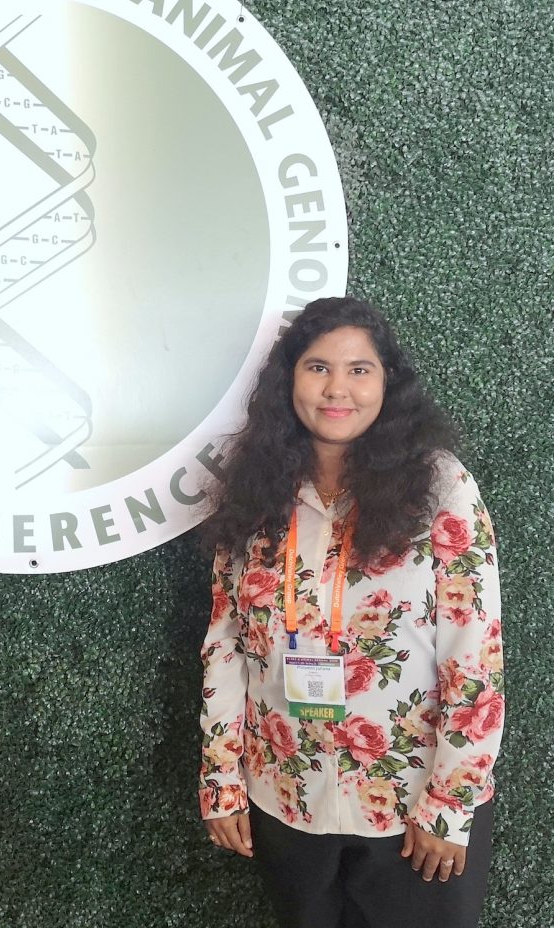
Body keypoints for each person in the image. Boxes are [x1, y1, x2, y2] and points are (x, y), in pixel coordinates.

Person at [197, 297, 503, 928]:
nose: (338, 388)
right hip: (287, 796)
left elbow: (474, 650)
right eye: (317, 368)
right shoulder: (256, 490)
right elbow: (227, 642)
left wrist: (450, 803)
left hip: (410, 804)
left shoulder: (439, 486)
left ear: (388, 383)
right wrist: (221, 775)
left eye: (360, 370)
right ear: (289, 382)